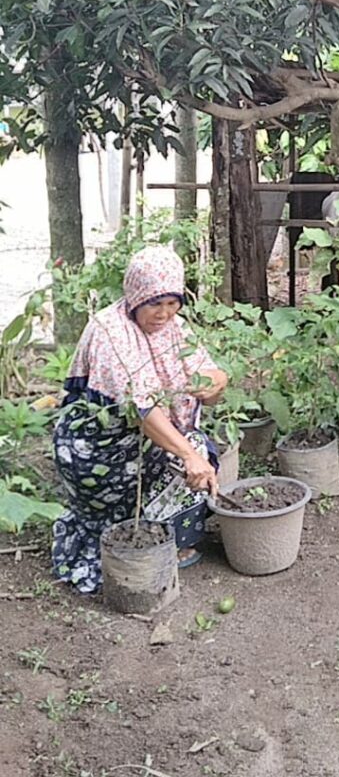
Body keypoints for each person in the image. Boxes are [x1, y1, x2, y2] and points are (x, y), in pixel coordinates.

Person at [52, 245, 227, 593]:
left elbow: (206, 374)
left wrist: (218, 381)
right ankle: (129, 542)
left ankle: (166, 537)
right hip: (98, 449)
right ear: (135, 296)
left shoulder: (175, 328)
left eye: (172, 302)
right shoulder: (110, 332)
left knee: (198, 449)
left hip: (146, 439)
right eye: (154, 303)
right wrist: (188, 456)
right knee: (190, 454)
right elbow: (142, 410)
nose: (164, 314)